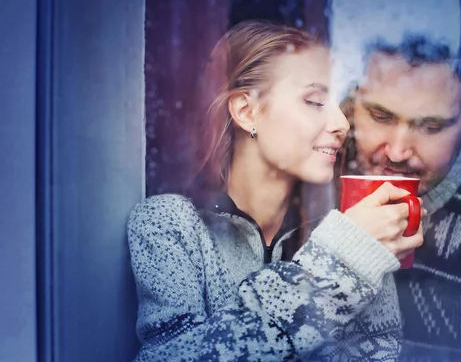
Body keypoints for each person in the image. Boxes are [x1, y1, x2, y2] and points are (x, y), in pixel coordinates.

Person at [127, 20, 425, 362]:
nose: (342, 125)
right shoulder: (169, 224)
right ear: (246, 111)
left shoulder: (348, 231)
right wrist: (339, 264)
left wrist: (355, 251)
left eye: (337, 103)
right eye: (314, 101)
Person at [331, 35, 461, 361]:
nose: (397, 151)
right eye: (380, 116)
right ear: (353, 101)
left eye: (430, 126)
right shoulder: (313, 167)